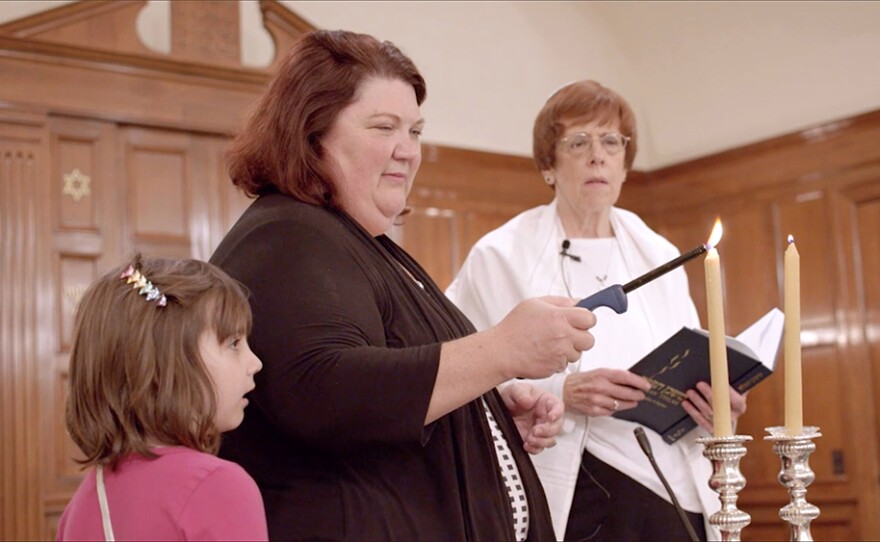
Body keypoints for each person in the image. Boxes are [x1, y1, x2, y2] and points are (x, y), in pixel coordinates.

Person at [209, 29, 597, 541]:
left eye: (414, 131)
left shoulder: (354, 238)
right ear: (312, 133)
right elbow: (325, 390)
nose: (407, 151)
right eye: (384, 127)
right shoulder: (288, 234)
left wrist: (479, 416)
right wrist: (503, 350)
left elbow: (389, 392)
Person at [446, 80, 748, 541]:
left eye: (611, 142)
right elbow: (456, 374)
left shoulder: (660, 252)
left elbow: (692, 358)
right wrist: (561, 390)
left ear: (625, 163)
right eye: (578, 142)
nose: (597, 156)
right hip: (579, 488)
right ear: (548, 165)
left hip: (674, 486)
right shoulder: (500, 255)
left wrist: (716, 403)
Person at [57, 255, 267, 541]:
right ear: (168, 363)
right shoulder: (216, 486)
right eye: (233, 343)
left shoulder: (80, 507)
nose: (255, 363)